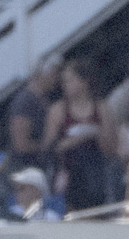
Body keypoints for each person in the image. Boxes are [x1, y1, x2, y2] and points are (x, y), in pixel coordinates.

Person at [45, 58, 115, 212]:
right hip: (69, 177)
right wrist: (75, 141)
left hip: (97, 175)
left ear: (84, 82)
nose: (65, 86)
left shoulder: (102, 108)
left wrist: (95, 134)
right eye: (63, 82)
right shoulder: (58, 111)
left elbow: (111, 150)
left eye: (69, 81)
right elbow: (50, 148)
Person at [5, 52, 61, 175]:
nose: (56, 79)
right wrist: (49, 147)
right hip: (26, 170)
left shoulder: (46, 99)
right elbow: (21, 144)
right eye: (53, 74)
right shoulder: (25, 101)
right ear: (41, 73)